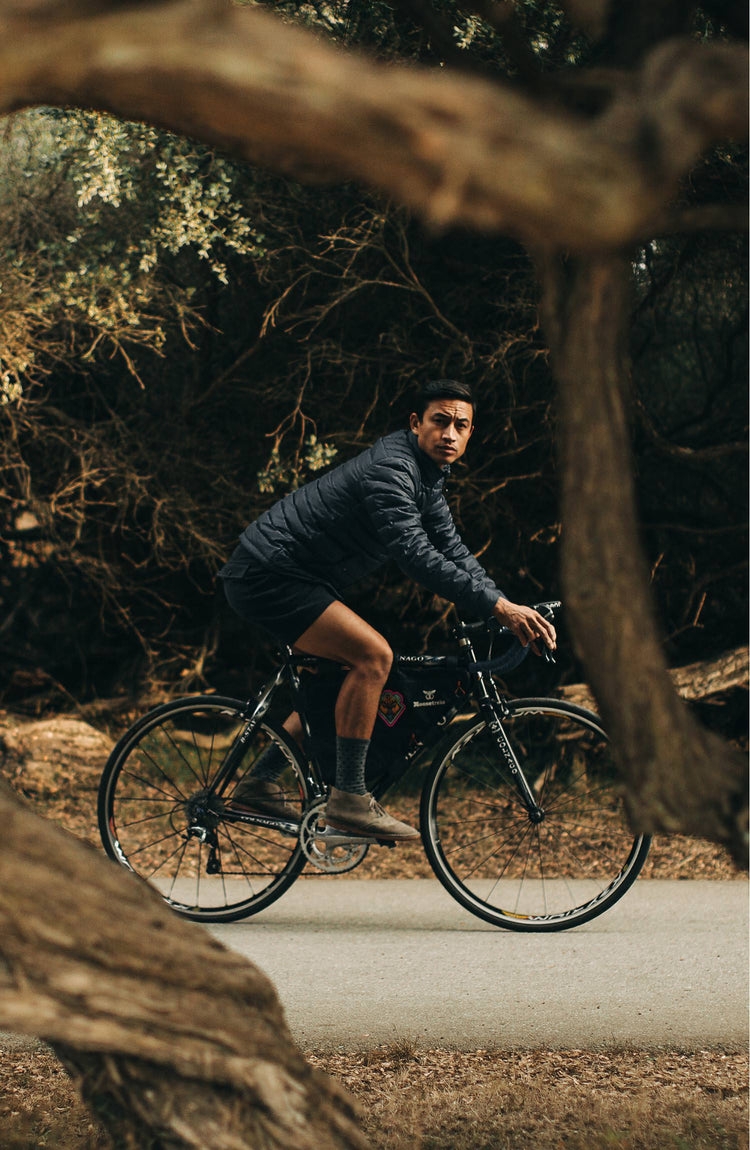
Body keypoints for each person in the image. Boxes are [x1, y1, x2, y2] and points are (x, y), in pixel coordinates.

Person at [218, 380, 556, 840]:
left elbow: (453, 550)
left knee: (336, 680)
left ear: (471, 433)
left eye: (461, 426)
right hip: (267, 574)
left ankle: (258, 782)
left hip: (294, 578)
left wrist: (506, 604)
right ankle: (349, 800)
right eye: (440, 421)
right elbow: (415, 552)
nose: (450, 434)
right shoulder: (393, 469)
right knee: (374, 657)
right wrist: (498, 607)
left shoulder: (428, 479)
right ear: (416, 424)